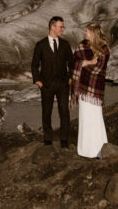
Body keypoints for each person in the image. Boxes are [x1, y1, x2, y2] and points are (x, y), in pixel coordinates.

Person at [31, 16, 74, 147]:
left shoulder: (65, 44)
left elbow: (71, 63)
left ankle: (65, 140)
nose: (63, 29)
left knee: (64, 112)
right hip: (47, 85)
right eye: (61, 27)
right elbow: (34, 65)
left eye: (63, 27)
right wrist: (38, 81)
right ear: (52, 27)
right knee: (46, 112)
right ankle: (48, 140)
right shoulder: (40, 45)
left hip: (63, 85)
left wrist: (70, 78)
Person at [72, 22, 110, 158]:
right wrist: (86, 62)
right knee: (85, 119)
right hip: (83, 90)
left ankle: (99, 149)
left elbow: (99, 69)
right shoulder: (82, 46)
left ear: (93, 33)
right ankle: (85, 150)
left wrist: (85, 65)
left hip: (95, 91)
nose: (84, 33)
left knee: (96, 118)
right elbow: (73, 63)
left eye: (87, 31)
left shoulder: (104, 49)